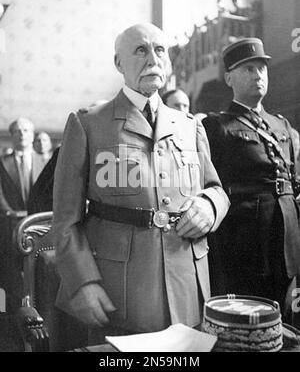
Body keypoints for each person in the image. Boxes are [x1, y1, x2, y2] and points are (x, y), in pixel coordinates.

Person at [52, 22, 229, 344]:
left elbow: (217, 189)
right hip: (119, 289)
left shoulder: (190, 126)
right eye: (140, 50)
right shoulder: (89, 124)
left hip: (187, 286)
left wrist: (209, 206)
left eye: (160, 50)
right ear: (119, 64)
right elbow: (66, 220)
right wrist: (83, 282)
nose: (153, 59)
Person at [202, 38, 300, 316]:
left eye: (261, 69)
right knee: (246, 319)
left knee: (286, 319)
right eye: (248, 69)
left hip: (287, 238)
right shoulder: (217, 126)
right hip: (244, 242)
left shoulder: (282, 125)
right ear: (228, 77)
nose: (258, 75)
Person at [0, 117, 47, 312]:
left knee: (37, 275)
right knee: (12, 277)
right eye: (17, 131)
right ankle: (12, 318)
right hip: (9, 225)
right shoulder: (2, 162)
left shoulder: (44, 161)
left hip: (38, 227)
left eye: (26, 130)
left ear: (32, 135)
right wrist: (8, 211)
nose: (22, 134)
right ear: (11, 135)